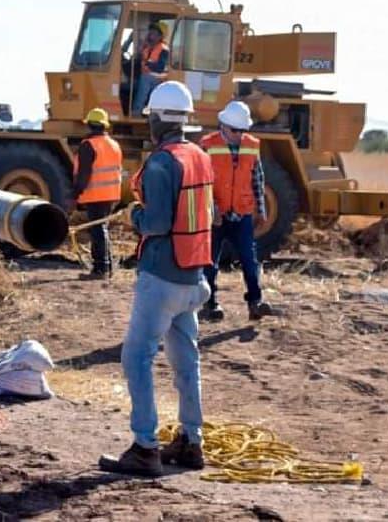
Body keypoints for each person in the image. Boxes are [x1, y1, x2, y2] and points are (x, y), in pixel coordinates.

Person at [99, 81, 213, 477]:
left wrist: (134, 217)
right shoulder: (199, 155)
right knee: (186, 361)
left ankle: (145, 448)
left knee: (136, 358)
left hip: (162, 276)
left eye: (150, 115)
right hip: (194, 277)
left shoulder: (163, 162)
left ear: (161, 119)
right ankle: (191, 442)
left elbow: (159, 222)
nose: (147, 121)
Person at [199, 101, 280, 322]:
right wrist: (211, 207)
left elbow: (257, 177)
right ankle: (210, 305)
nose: (239, 135)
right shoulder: (207, 145)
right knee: (209, 263)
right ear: (223, 126)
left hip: (242, 214)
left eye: (243, 130)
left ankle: (256, 302)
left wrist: (261, 209)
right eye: (235, 130)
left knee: (249, 260)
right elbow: (201, 182)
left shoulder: (252, 145)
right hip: (216, 215)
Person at [73, 108, 123, 279]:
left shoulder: (89, 145)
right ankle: (107, 267)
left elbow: (84, 174)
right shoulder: (114, 144)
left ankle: (100, 270)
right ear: (104, 125)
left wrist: (76, 193)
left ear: (89, 124)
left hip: (96, 195)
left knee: (98, 230)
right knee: (102, 229)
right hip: (111, 195)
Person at [130, 22, 170, 117]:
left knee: (144, 83)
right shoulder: (148, 47)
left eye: (154, 33)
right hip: (147, 76)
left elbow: (160, 67)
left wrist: (148, 63)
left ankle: (137, 111)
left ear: (160, 36)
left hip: (157, 78)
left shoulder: (164, 49)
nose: (150, 34)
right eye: (150, 32)